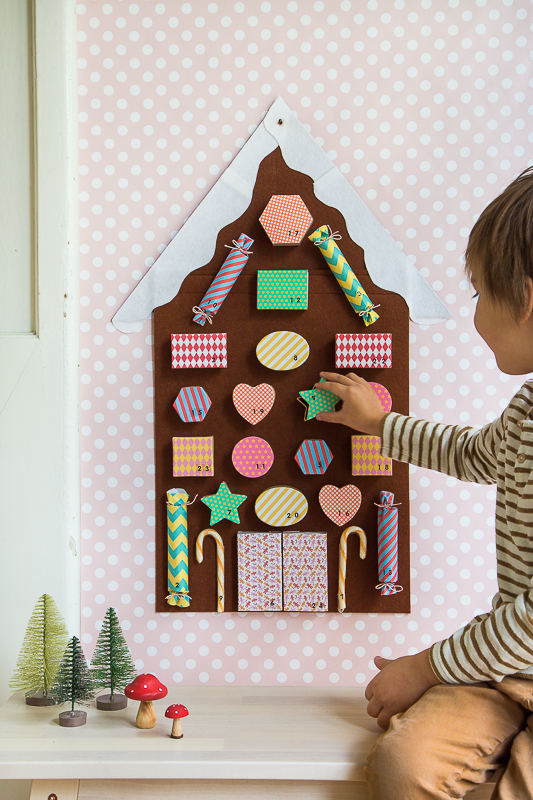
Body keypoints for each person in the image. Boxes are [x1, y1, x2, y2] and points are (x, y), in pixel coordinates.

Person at [315, 166, 533, 799]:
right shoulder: (526, 410)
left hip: (496, 653)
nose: (475, 316)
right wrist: (381, 425)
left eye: (477, 296)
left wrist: (424, 667)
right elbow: (476, 455)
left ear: (523, 300)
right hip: (505, 672)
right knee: (402, 765)